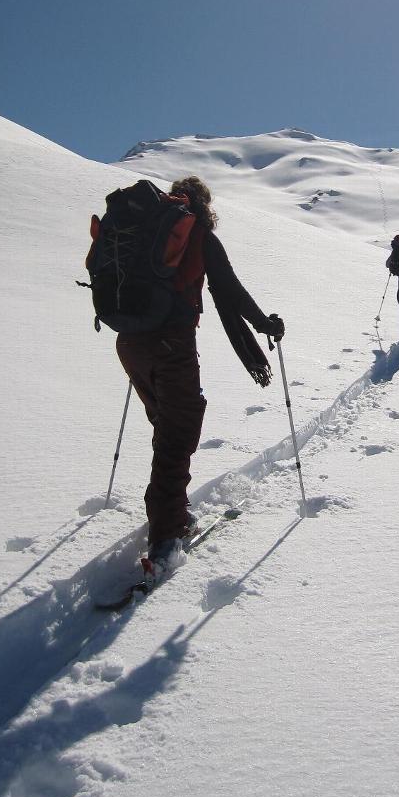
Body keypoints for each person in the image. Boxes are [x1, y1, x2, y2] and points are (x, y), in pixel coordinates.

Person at [114, 176, 284, 574]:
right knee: (180, 429)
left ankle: (172, 510)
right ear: (204, 205)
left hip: (129, 341)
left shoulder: (147, 230)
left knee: (167, 423)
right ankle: (167, 536)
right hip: (170, 344)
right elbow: (232, 290)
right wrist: (265, 324)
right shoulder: (199, 235)